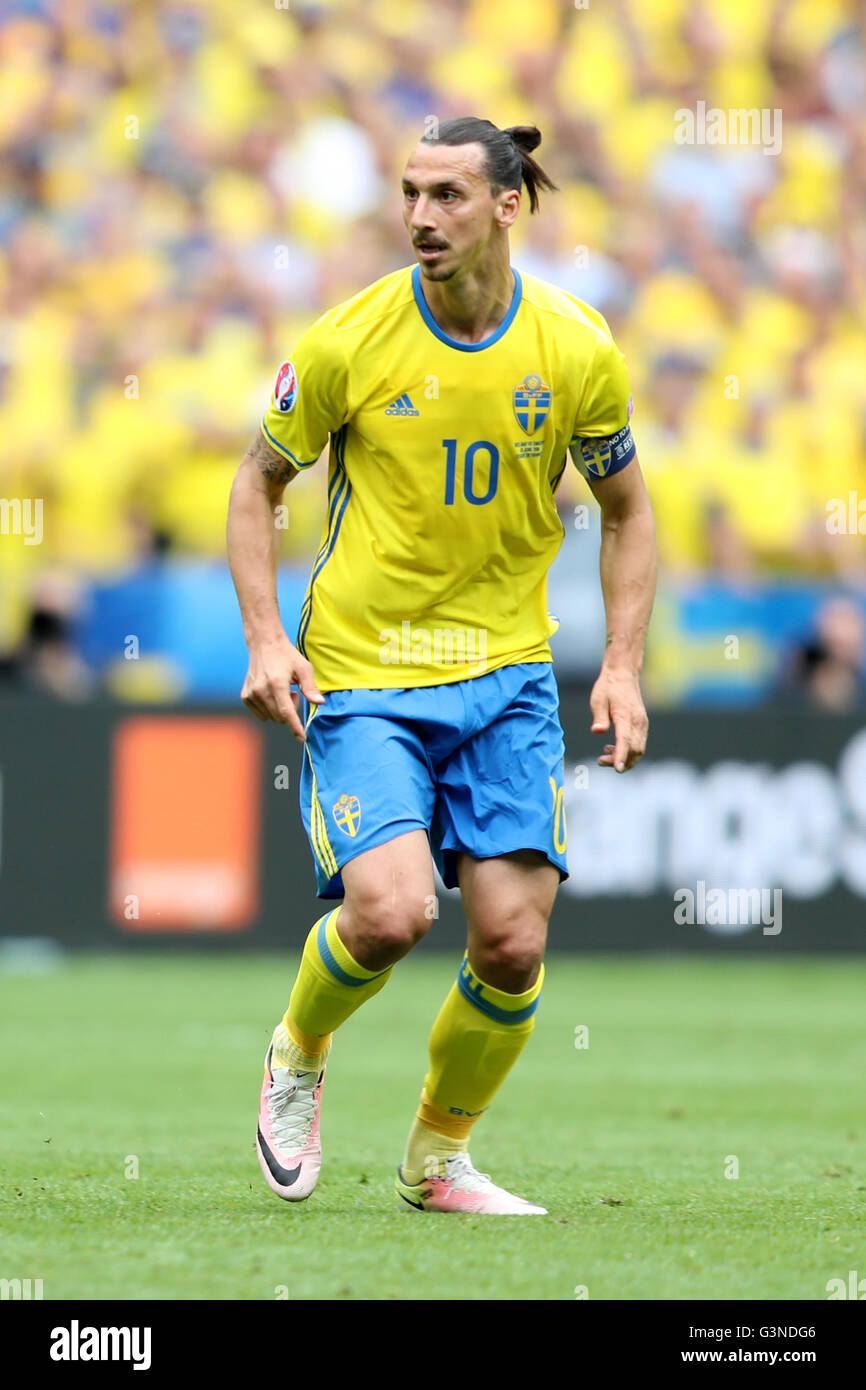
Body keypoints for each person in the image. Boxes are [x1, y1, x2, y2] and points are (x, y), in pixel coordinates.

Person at [227, 117, 657, 1215]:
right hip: (365, 672)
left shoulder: (575, 347)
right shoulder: (346, 341)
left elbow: (625, 510)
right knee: (390, 913)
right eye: (410, 193)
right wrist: (268, 640)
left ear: (508, 206)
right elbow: (254, 486)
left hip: (507, 675)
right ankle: (299, 1049)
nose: (420, 216)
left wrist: (617, 663)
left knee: (512, 942)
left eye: (448, 196)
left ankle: (434, 1159)